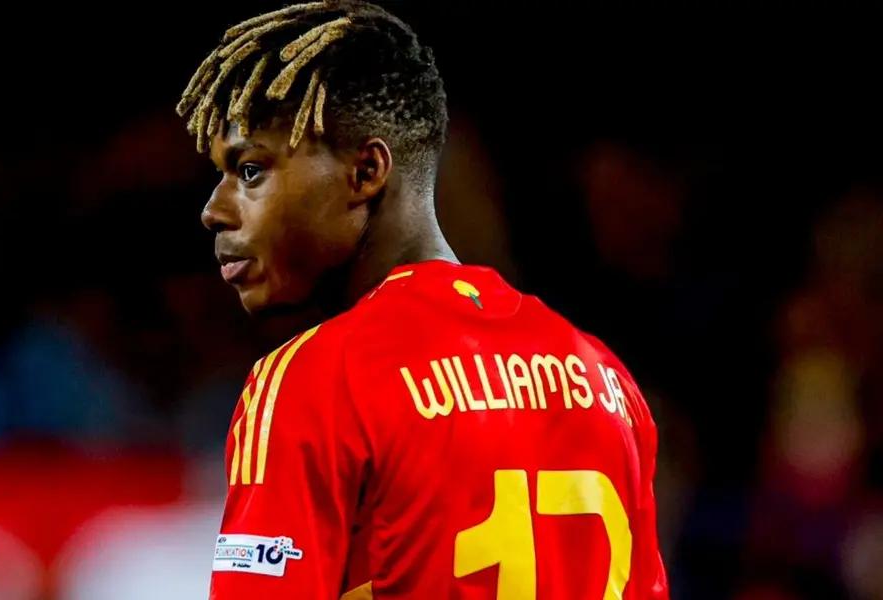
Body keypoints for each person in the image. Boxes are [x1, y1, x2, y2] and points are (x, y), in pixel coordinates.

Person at [178, 2, 669, 597]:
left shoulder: (316, 381)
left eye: (251, 171)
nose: (214, 209)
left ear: (365, 172)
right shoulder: (607, 380)